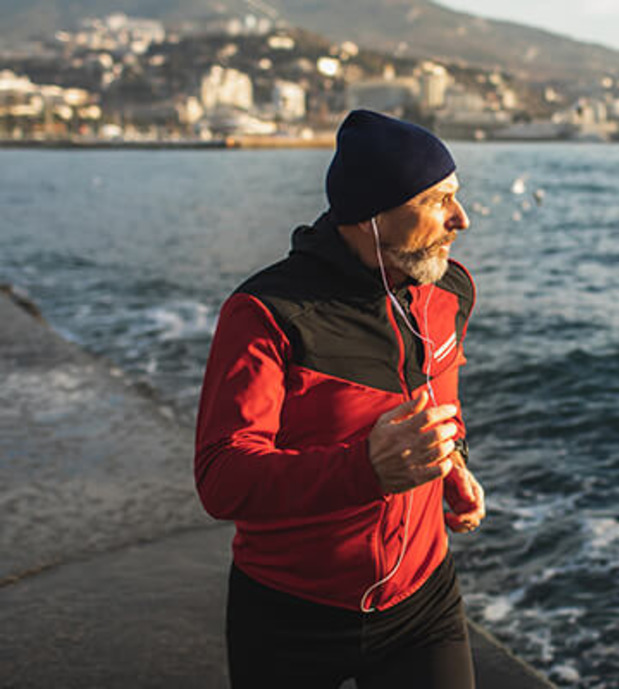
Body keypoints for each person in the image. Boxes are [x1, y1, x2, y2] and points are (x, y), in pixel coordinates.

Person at [194, 109, 485, 689]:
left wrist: (450, 464)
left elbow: (437, 401)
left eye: (457, 196)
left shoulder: (448, 289)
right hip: (288, 617)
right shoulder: (267, 314)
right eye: (436, 201)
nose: (462, 220)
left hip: (424, 601)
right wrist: (365, 468)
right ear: (369, 215)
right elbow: (222, 480)